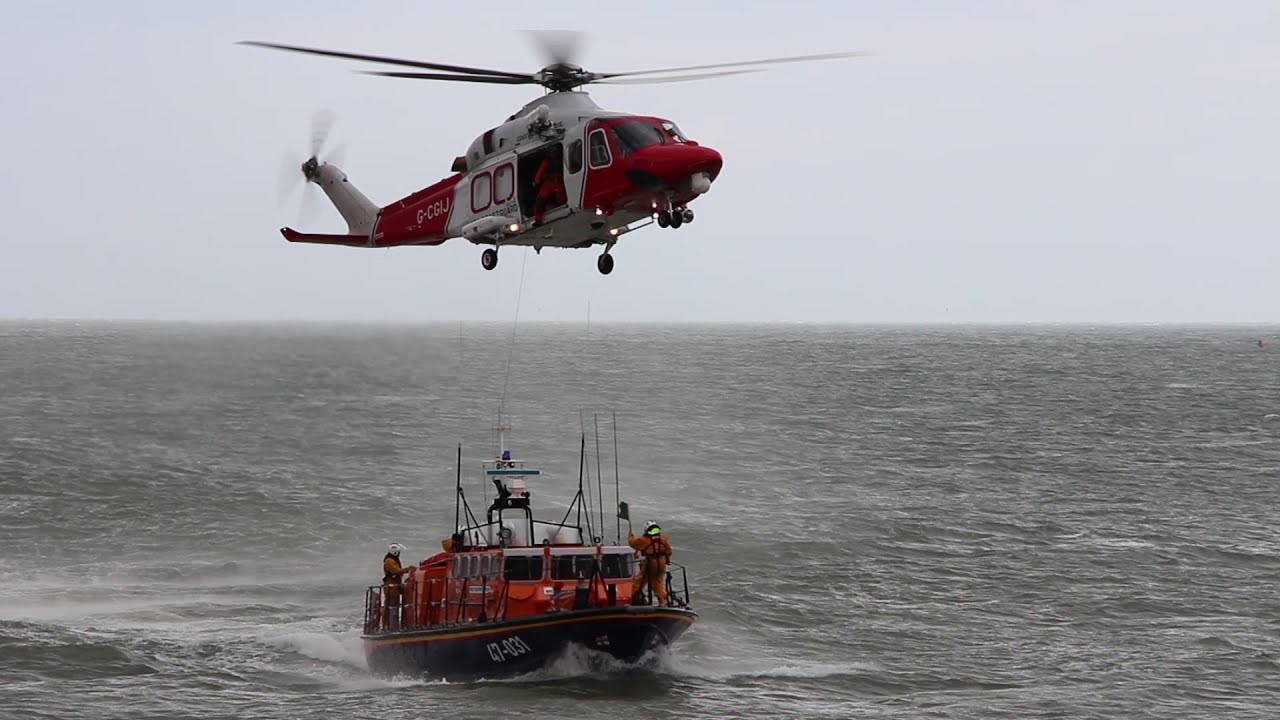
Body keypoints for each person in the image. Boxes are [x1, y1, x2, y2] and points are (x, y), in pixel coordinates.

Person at [628, 521, 672, 607]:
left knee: (639, 581)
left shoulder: (644, 540)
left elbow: (632, 543)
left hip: (650, 563)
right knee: (658, 582)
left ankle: (634, 600)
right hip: (661, 564)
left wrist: (630, 536)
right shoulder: (663, 538)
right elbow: (669, 551)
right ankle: (663, 602)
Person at [531, 144, 566, 226]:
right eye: (552, 152)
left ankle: (565, 211)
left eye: (554, 152)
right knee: (540, 200)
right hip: (549, 183)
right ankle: (538, 220)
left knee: (561, 199)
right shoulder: (547, 161)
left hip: (558, 182)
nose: (553, 154)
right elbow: (541, 171)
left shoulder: (562, 159)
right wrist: (536, 181)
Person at [382, 543, 413, 630]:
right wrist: (407, 569)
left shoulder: (392, 560)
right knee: (391, 605)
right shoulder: (389, 561)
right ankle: (390, 625)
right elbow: (395, 571)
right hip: (391, 587)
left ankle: (395, 623)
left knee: (395, 604)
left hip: (395, 586)